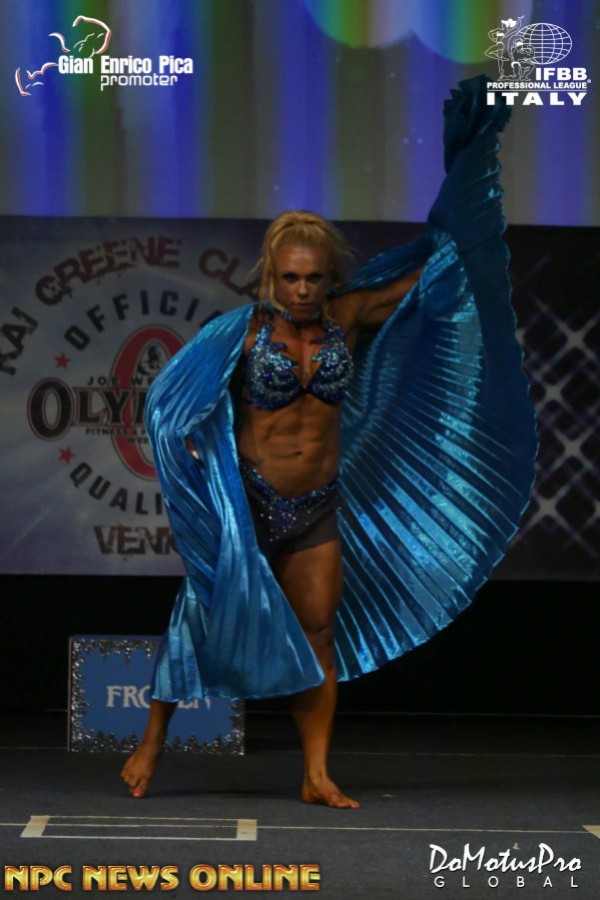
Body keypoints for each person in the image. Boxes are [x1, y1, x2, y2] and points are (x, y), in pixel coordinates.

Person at [121, 76, 537, 807]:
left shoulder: (349, 316)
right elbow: (169, 404)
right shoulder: (240, 332)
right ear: (271, 275)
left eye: (314, 278)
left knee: (319, 634)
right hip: (249, 505)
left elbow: (436, 278)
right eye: (290, 278)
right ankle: (152, 740)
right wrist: (200, 480)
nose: (303, 290)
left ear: (328, 275)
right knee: (203, 619)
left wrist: (464, 210)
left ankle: (315, 774)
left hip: (316, 507)